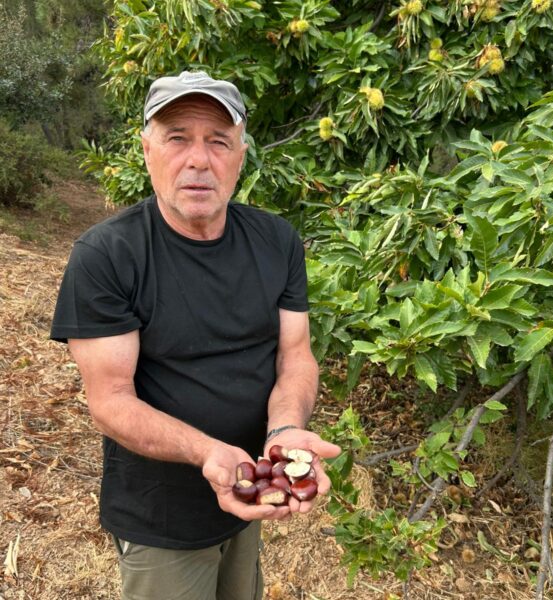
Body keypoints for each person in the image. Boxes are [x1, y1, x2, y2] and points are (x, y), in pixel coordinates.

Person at [50, 71, 341, 600]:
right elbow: (110, 401)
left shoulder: (277, 241)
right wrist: (207, 451)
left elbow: (295, 356)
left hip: (251, 489)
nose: (198, 160)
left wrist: (283, 433)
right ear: (147, 150)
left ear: (241, 156)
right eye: (177, 137)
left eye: (218, 141)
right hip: (161, 514)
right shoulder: (108, 256)